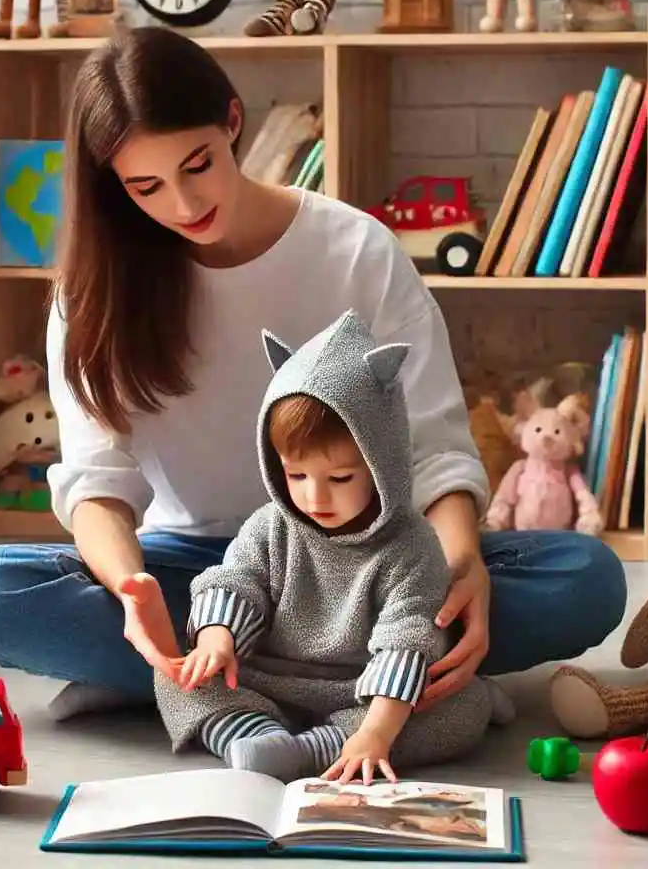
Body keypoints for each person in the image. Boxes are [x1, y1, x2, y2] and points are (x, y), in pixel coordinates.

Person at [0, 26, 626, 722]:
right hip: (197, 566)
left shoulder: (355, 248)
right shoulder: (94, 293)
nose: (183, 205)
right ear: (113, 186)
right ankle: (359, 680)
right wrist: (131, 591)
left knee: (586, 578)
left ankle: (191, 684)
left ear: (233, 122)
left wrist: (458, 564)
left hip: (364, 564)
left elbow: (434, 446)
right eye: (146, 187)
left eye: (198, 164)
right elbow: (97, 484)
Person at [153, 309, 514, 784]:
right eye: (296, 475)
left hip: (362, 693)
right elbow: (236, 582)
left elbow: (406, 641)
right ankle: (251, 735)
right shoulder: (270, 526)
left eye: (340, 478)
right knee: (175, 672)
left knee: (459, 711)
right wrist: (217, 640)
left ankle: (315, 749)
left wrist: (376, 733)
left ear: (381, 463)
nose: (315, 497)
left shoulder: (412, 547)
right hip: (263, 681)